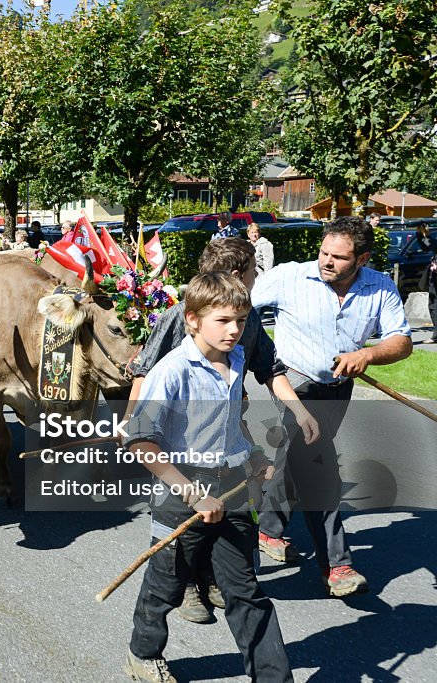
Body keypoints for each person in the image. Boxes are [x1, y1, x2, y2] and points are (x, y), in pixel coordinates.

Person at [127, 238, 318, 625]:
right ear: (236, 275)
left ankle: (215, 575)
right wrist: (131, 419)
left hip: (227, 428)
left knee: (226, 509)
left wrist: (297, 410)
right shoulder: (180, 319)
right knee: (188, 517)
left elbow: (269, 369)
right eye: (252, 272)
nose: (255, 279)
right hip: (181, 433)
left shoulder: (244, 325)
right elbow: (146, 370)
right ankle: (188, 586)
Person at [124, 272, 292, 683]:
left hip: (231, 487)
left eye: (240, 320)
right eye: (223, 320)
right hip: (180, 487)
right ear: (193, 319)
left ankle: (274, 678)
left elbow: (231, 426)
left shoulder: (235, 361)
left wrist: (251, 456)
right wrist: (192, 493)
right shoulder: (172, 371)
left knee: (246, 592)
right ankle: (142, 655)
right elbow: (141, 442)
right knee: (166, 585)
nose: (235, 330)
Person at [252, 216, 412, 596]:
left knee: (296, 461)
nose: (327, 261)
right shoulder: (290, 277)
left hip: (337, 390)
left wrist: (369, 354)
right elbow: (237, 308)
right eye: (324, 252)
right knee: (317, 466)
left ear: (362, 258)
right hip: (292, 384)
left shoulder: (381, 286)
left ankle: (268, 528)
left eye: (338, 257)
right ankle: (337, 566)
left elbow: (402, 341)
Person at [414, 223, 437, 343]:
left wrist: (425, 235)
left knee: (434, 304)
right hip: (434, 276)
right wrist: (421, 235)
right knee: (433, 304)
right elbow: (428, 248)